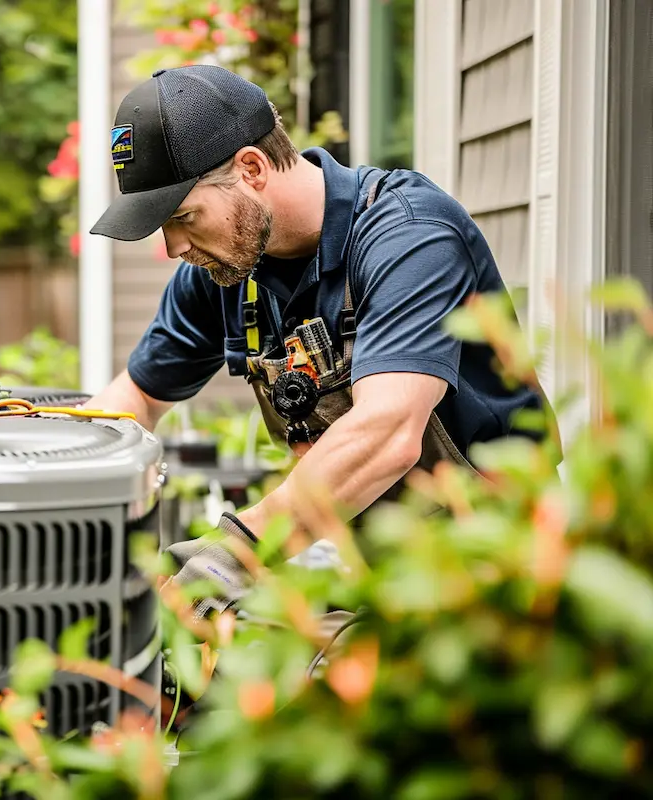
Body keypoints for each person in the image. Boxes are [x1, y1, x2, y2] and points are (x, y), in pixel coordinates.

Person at [85, 64, 558, 618]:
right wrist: (71, 484)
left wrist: (232, 552)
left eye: (184, 216)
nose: (172, 247)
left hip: (507, 574)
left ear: (252, 168)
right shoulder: (225, 269)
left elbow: (387, 434)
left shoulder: (408, 236)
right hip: (387, 576)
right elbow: (135, 399)